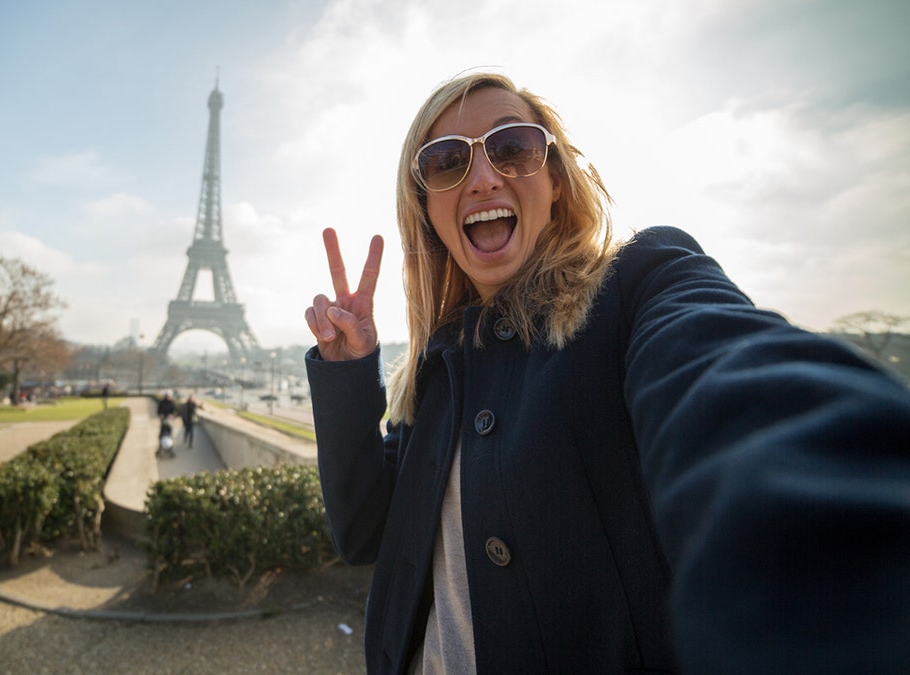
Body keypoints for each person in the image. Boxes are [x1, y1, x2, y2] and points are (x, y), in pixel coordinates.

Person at [303, 70, 910, 674]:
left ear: (558, 180)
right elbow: (360, 531)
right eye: (445, 162)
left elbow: (741, 392)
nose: (484, 176)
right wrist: (350, 374)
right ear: (428, 209)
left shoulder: (641, 286)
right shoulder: (438, 369)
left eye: (513, 147)